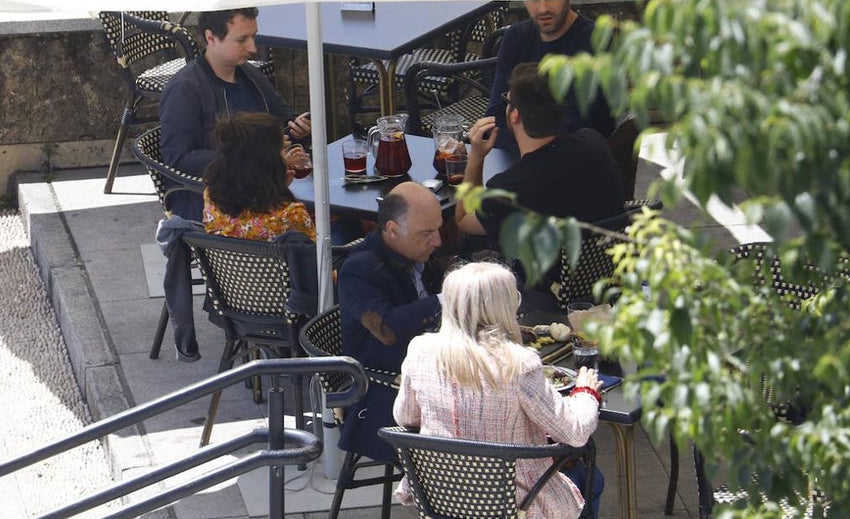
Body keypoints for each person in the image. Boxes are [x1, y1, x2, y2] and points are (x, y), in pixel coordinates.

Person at [157, 7, 310, 361]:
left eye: (253, 37)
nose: (253, 48)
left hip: (264, 185)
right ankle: (289, 309)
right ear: (211, 38)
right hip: (213, 197)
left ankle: (288, 304)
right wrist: (245, 157)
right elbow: (176, 159)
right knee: (305, 224)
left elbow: (280, 115)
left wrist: (295, 124)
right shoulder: (185, 90)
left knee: (317, 216)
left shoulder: (251, 78)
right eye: (242, 39)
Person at [393, 261, 604, 519]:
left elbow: (404, 418)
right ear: (506, 306)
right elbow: (575, 432)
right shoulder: (519, 363)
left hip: (443, 496)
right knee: (592, 478)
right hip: (515, 502)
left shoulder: (420, 350)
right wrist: (585, 392)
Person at [456, 62, 625, 304]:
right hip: (610, 279)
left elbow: (463, 220)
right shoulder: (593, 144)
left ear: (514, 114)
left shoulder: (511, 190)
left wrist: (476, 156)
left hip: (546, 297)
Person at [337, 182, 446, 464]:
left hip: (431, 368)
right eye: (427, 233)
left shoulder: (416, 252)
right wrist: (445, 300)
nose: (437, 241)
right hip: (385, 390)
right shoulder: (360, 269)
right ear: (392, 229)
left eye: (437, 229)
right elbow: (386, 329)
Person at [486, 0, 615, 153]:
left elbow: (579, 123)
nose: (542, 9)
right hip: (519, 156)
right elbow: (496, 113)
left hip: (579, 157)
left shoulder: (595, 40)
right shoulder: (516, 36)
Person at [202, 112, 315, 241]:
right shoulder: (291, 214)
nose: (284, 155)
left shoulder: (210, 197)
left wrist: (278, 179)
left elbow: (248, 215)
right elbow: (318, 255)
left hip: (231, 259)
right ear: (269, 162)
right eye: (282, 150)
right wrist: (282, 189)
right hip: (282, 261)